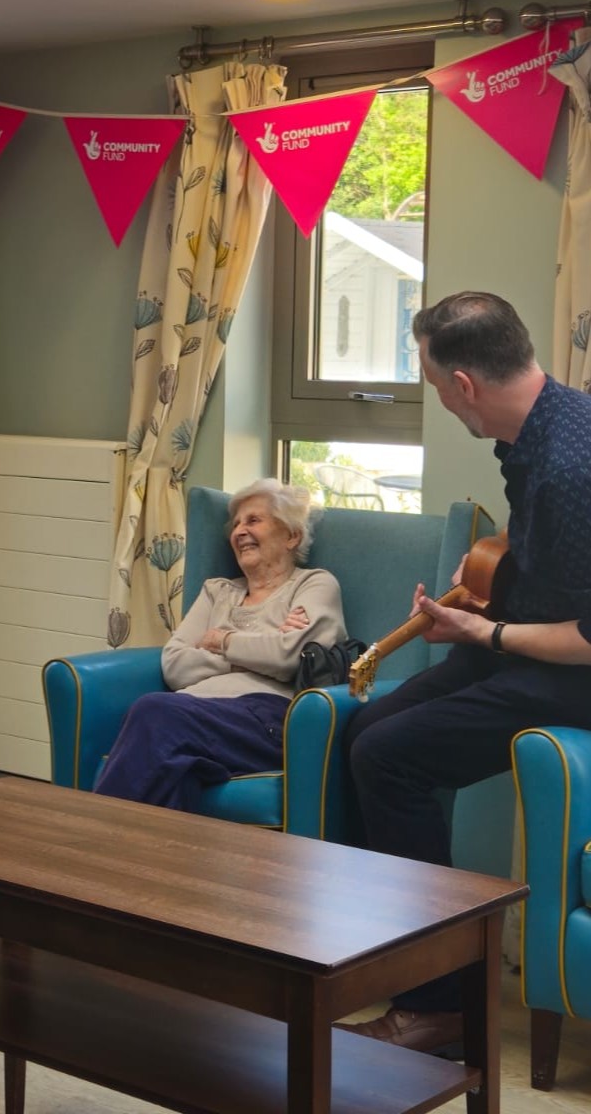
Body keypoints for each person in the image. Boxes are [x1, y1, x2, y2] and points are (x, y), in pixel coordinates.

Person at [343, 291, 591, 1056]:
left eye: (431, 380)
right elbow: (552, 548)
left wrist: (484, 627)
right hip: (518, 637)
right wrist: (492, 570)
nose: (439, 400)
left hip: (571, 671)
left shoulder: (571, 465)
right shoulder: (546, 422)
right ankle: (377, 954)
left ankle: (444, 1007)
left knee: (389, 759)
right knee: (366, 728)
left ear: (464, 386)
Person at [94, 479, 346, 812]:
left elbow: (290, 657)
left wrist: (221, 640)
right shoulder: (218, 591)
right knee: (177, 772)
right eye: (237, 524)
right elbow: (175, 665)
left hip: (267, 717)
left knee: (153, 711)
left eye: (253, 520)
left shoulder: (314, 584)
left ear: (291, 536)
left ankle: (89, 843)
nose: (240, 531)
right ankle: (149, 861)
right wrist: (253, 652)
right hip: (194, 714)